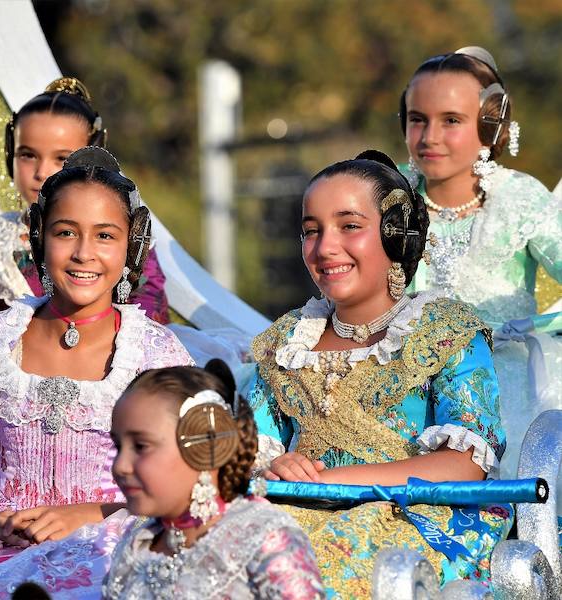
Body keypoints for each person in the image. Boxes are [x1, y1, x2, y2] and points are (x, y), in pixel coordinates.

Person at [0, 147, 192, 597]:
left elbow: (190, 479)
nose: (84, 253)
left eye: (105, 236)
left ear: (131, 244)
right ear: (39, 238)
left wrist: (92, 515)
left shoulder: (155, 353)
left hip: (115, 544)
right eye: (66, 232)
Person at [250, 151, 511, 596]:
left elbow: (467, 463)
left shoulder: (445, 331)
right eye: (311, 231)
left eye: (349, 226)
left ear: (396, 235)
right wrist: (275, 465)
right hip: (291, 510)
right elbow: (246, 450)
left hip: (414, 517)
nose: (325, 246)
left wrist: (327, 482)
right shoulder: (284, 342)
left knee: (320, 562)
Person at [399, 46, 562, 481]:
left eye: (451, 120)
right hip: (401, 381)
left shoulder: (520, 200)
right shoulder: (386, 193)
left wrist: (532, 327)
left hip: (501, 384)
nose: (429, 136)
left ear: (490, 127)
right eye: (418, 119)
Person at [0, 77, 170, 334]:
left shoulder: (128, 237)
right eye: (28, 155)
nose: (42, 172)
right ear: (10, 155)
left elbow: (148, 328)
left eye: (62, 158)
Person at [104, 361, 324, 599]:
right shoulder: (139, 544)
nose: (120, 466)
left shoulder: (262, 538)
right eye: (118, 446)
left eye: (141, 446)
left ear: (207, 445)